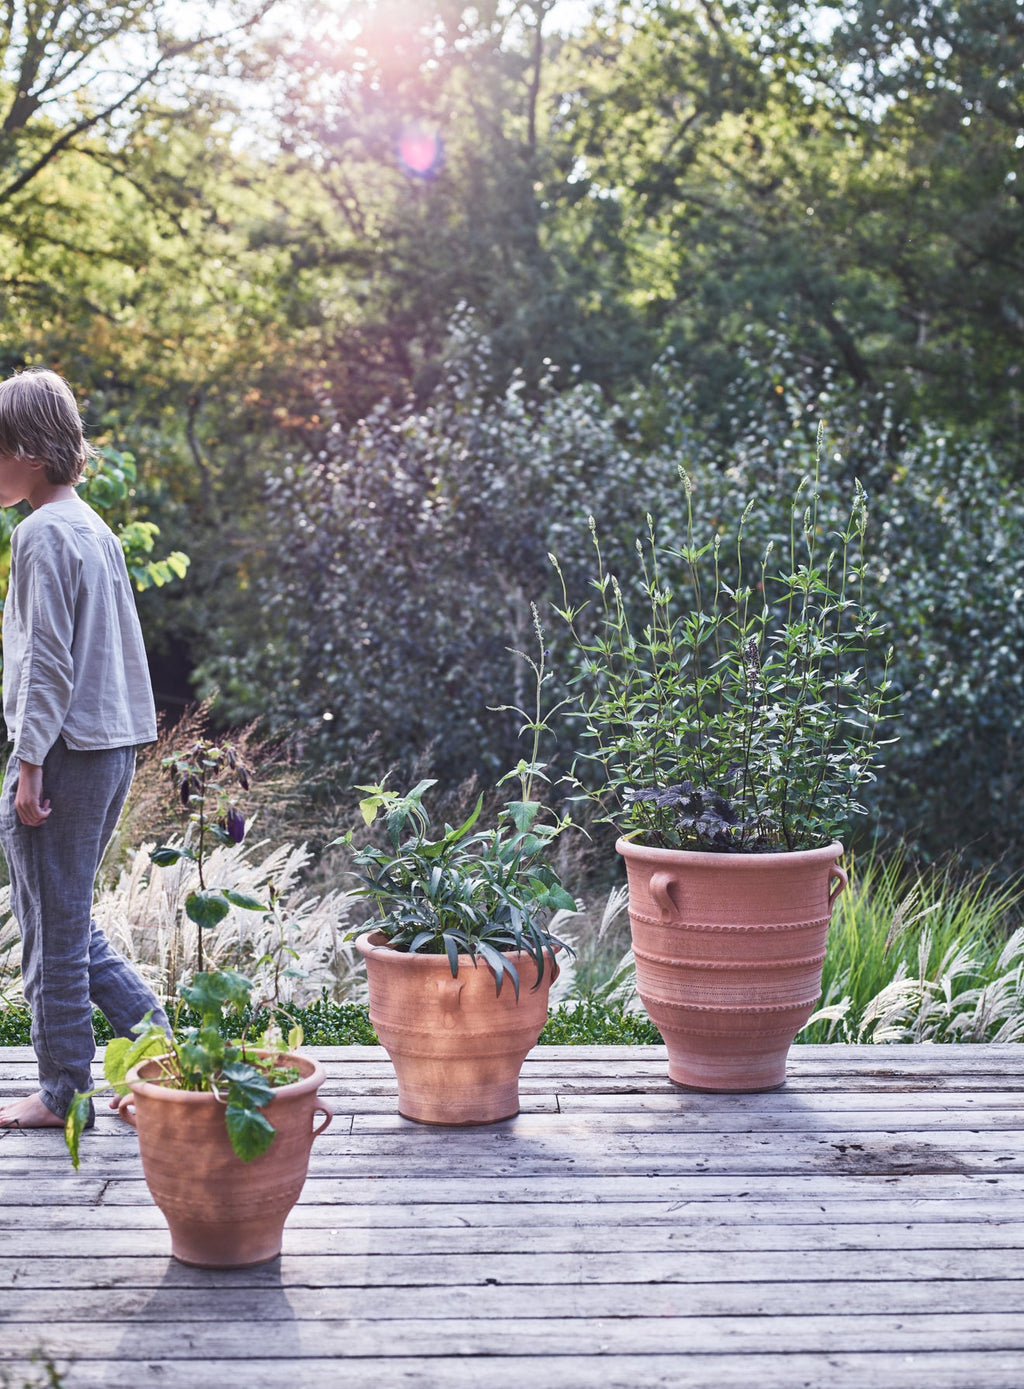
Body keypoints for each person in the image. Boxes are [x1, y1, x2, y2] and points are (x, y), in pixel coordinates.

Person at [0, 368, 169, 1130]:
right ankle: (158, 1046)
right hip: (113, 744)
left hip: (63, 751)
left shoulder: (38, 534)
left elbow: (47, 662)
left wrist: (30, 760)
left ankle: (65, 1089)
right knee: (65, 916)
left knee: (51, 926)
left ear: (29, 451)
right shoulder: (93, 527)